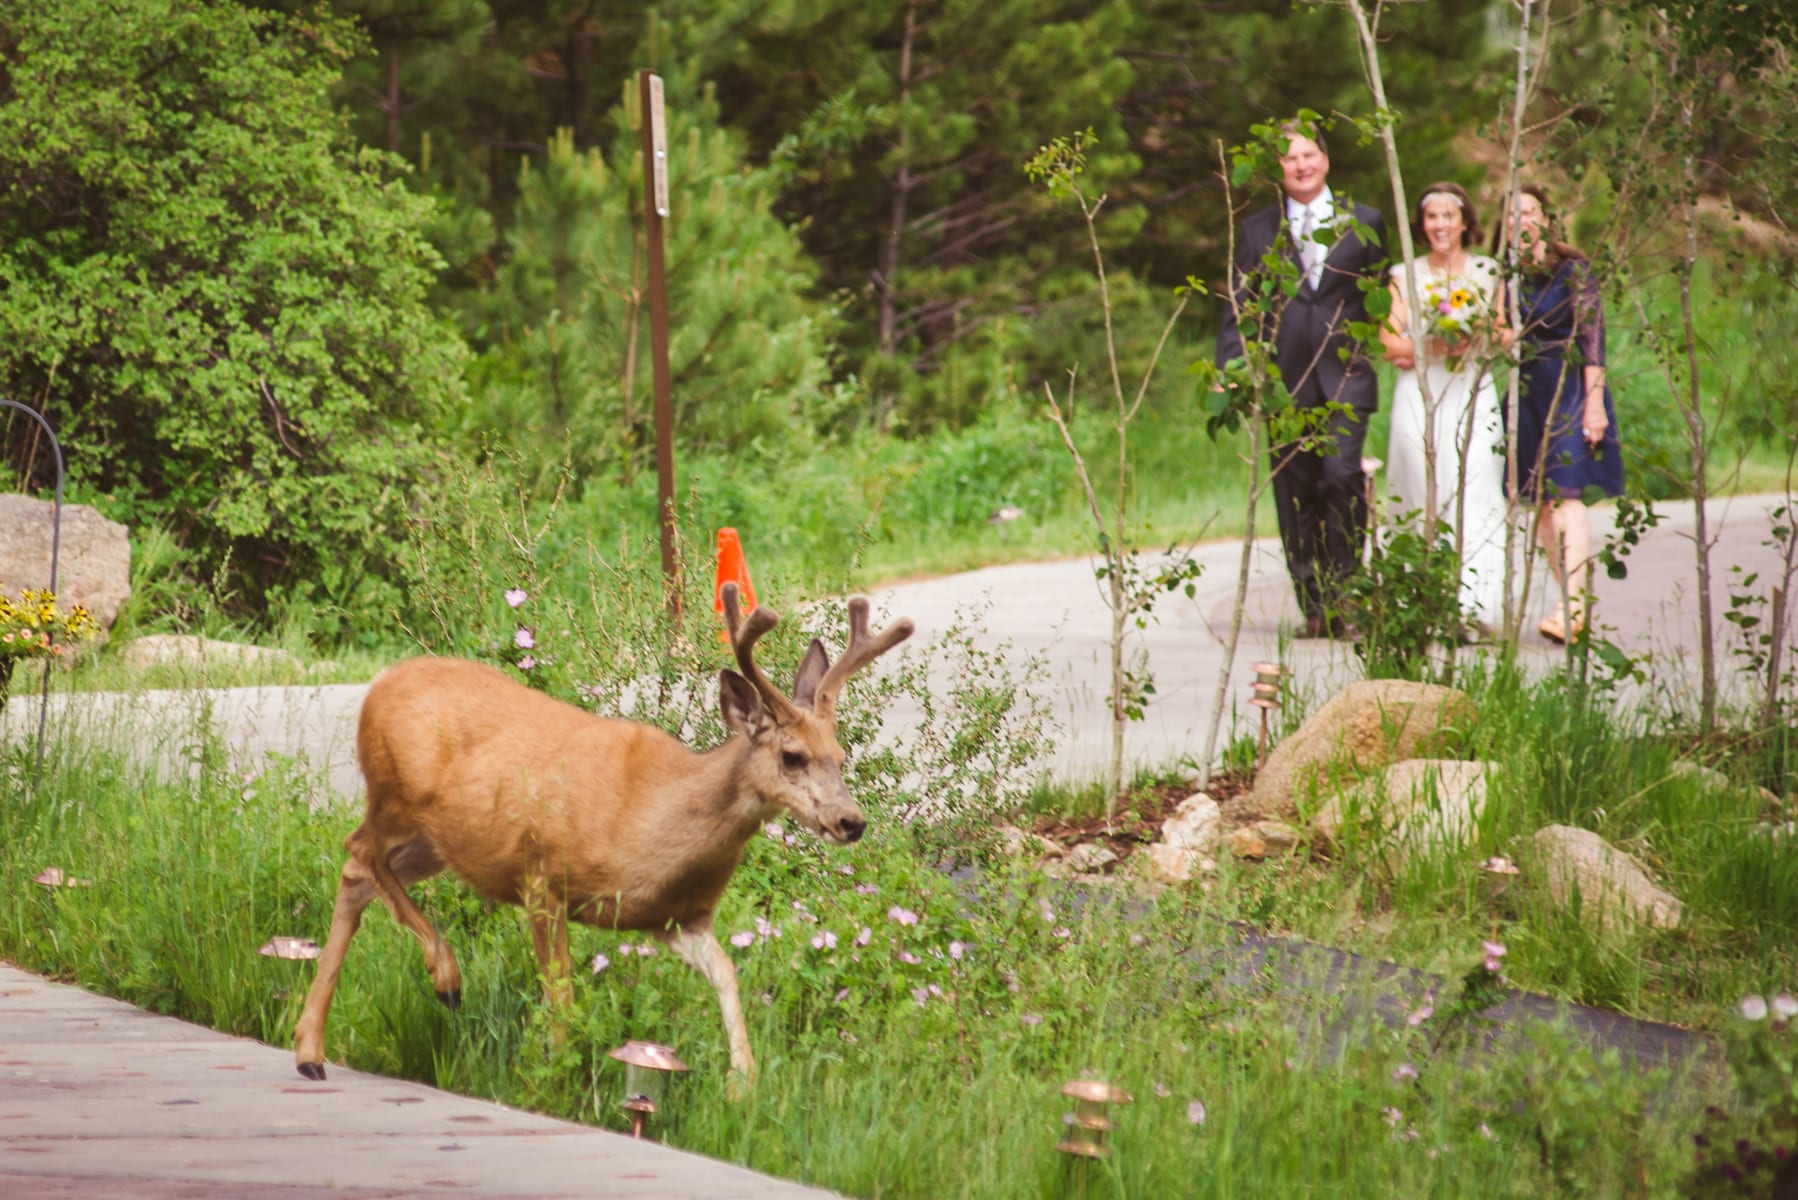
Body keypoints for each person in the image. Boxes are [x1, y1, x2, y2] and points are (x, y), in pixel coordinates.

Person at [1216, 125, 1387, 638]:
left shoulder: (1365, 223)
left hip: (1346, 378)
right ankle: (1313, 603)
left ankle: (1346, 596)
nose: (1301, 165)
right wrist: (1232, 367)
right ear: (1279, 170)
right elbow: (1239, 307)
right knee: (1296, 494)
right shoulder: (1257, 231)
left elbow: (1385, 300)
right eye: (1289, 159)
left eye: (1308, 154)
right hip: (1284, 384)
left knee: (1341, 479)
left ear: (1326, 160)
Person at [1380, 182, 1511, 638]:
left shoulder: (1486, 270)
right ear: (1421, 224)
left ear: (1464, 221)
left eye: (1448, 216)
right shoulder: (1405, 274)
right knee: (1421, 483)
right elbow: (1388, 341)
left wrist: (1476, 336)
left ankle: (1473, 604)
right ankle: (1423, 599)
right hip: (1420, 390)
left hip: (1471, 388)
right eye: (1432, 217)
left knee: (1476, 483)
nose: (1440, 225)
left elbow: (1504, 333)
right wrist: (1429, 343)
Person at [1494, 184, 1624, 643]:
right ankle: (1570, 600)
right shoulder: (1505, 275)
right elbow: (1498, 331)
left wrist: (1594, 402)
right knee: (1543, 505)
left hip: (1569, 384)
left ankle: (1570, 608)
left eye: (1529, 213)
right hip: (1525, 388)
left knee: (1567, 494)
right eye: (1513, 217)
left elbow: (1592, 338)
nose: (1522, 223)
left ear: (1546, 218)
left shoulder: (1573, 270)